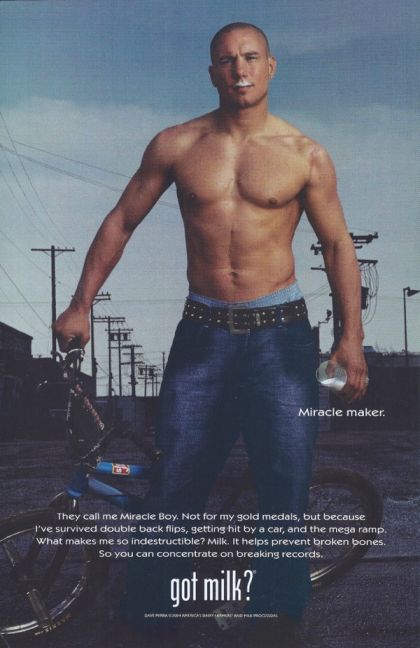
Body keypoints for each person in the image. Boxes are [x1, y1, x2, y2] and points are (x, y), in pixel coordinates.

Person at [55, 22, 368, 648]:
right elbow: (121, 221)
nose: (239, 69)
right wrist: (80, 303)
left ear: (271, 67)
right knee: (176, 482)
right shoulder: (177, 144)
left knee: (285, 482)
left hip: (281, 338)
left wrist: (350, 341)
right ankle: (144, 619)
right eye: (226, 60)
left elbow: (337, 245)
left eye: (250, 58)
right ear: (212, 73)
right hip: (202, 336)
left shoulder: (305, 154)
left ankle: (276, 622)